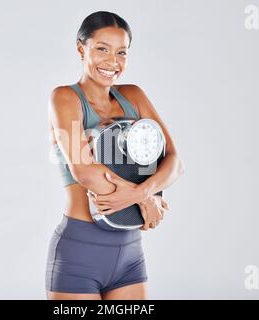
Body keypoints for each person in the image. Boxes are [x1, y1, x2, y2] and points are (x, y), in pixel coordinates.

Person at [46, 10, 185, 300]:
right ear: (81, 48)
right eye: (102, 49)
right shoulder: (65, 98)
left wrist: (143, 193)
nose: (112, 62)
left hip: (130, 254)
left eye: (121, 52)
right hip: (79, 251)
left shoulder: (133, 96)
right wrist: (147, 197)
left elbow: (174, 162)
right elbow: (85, 172)